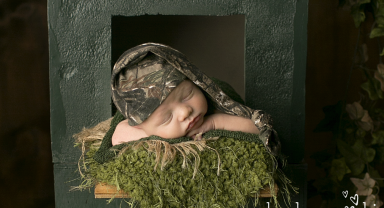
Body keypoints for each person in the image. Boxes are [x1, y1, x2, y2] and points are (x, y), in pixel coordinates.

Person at [109, 43, 277, 150]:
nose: (185, 111)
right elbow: (118, 137)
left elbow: (259, 128)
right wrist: (154, 136)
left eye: (187, 95)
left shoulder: (217, 96)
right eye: (167, 118)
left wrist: (213, 123)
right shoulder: (136, 118)